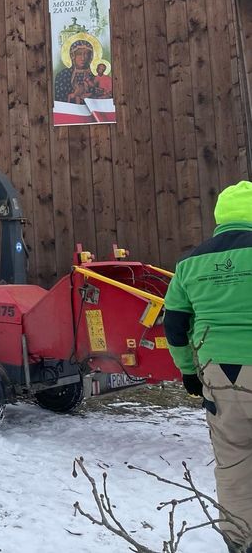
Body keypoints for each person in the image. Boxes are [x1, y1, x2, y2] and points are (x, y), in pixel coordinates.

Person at [165, 181, 252, 553]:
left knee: (233, 460)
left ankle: (240, 540)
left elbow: (174, 324)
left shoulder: (189, 263)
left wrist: (188, 372)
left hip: (219, 375)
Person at [54, 40, 96, 104]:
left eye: (86, 54)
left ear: (90, 56)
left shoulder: (92, 76)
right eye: (79, 54)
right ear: (72, 56)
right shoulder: (63, 75)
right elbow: (59, 99)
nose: (83, 58)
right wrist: (75, 94)